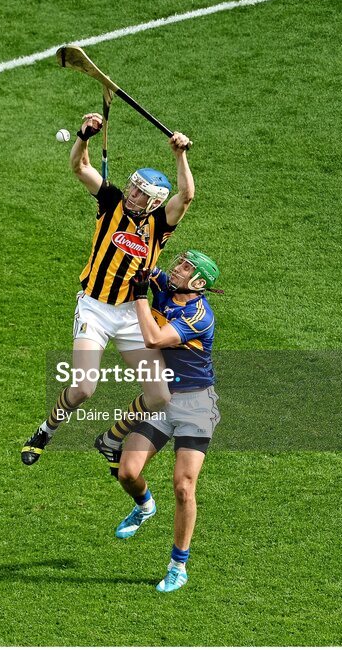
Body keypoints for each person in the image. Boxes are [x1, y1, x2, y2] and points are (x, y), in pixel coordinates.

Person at [20, 112, 194, 466]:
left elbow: (187, 195)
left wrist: (180, 155)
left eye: (140, 193)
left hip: (131, 314)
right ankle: (46, 430)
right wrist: (83, 136)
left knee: (160, 396)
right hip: (95, 308)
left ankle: (111, 437)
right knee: (84, 388)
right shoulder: (111, 201)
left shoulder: (160, 224)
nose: (132, 194)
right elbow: (80, 167)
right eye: (133, 187)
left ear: (154, 203)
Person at [102, 250, 220, 593]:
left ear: (198, 283)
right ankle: (144, 506)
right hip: (163, 399)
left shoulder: (199, 316)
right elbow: (140, 264)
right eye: (180, 262)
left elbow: (154, 338)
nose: (177, 268)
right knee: (127, 472)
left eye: (186, 267)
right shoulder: (166, 287)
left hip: (196, 406)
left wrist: (140, 297)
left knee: (184, 486)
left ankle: (177, 566)